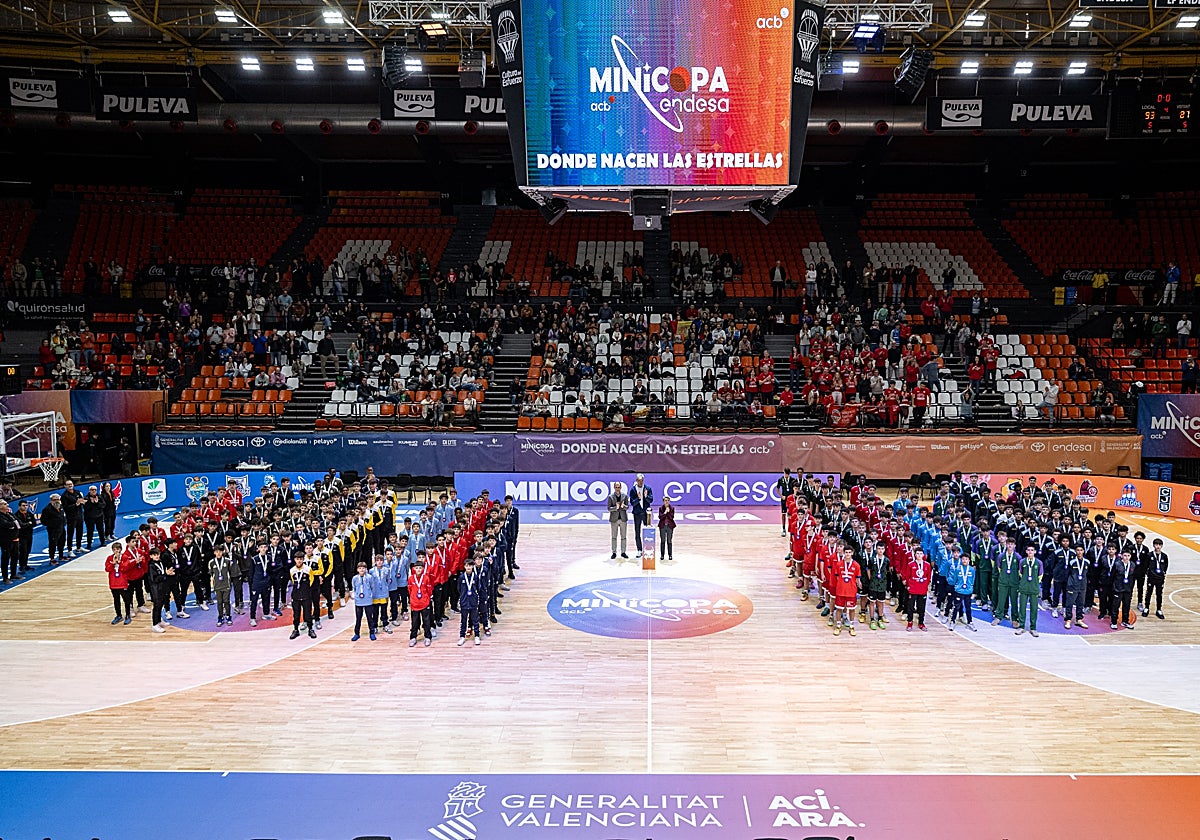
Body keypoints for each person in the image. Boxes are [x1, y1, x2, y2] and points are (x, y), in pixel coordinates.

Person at [408, 552, 434, 647]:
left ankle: (427, 637)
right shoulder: (411, 579)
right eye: (417, 568)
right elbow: (410, 590)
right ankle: (413, 637)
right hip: (415, 604)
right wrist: (413, 599)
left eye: (420, 568)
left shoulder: (426, 578)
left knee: (426, 621)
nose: (418, 570)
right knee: (414, 622)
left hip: (424, 603)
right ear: (414, 569)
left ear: (423, 569)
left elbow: (429, 590)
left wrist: (426, 599)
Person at [289, 551, 317, 640]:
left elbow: (311, 581)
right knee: (296, 614)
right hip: (296, 595)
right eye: (297, 559)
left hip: (306, 595)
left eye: (301, 559)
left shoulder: (308, 569)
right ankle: (296, 629)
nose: (299, 561)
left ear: (303, 559)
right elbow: (293, 581)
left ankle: (310, 629)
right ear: (294, 560)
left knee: (307, 614)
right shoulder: (292, 570)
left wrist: (306, 590)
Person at [1014, 546, 1042, 637]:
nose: (1030, 552)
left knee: (1034, 609)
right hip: (1024, 587)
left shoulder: (1039, 563)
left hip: (1034, 588)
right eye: (1028, 550)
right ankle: (1021, 626)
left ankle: (1033, 628)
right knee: (1022, 608)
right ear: (1026, 551)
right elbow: (1020, 573)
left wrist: (1035, 584)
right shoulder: (1022, 562)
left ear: (1035, 552)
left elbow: (1040, 575)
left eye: (1032, 550)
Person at [457, 554, 483, 646]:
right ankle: (462, 637)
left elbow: (478, 588)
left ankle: (476, 636)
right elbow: (459, 589)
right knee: (463, 620)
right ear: (464, 567)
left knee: (475, 620)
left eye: (470, 566)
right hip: (464, 602)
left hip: (473, 601)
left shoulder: (475, 577)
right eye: (467, 566)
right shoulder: (461, 577)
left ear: (473, 566)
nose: (468, 567)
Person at [106, 542, 133, 626]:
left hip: (122, 582)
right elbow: (107, 569)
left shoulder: (125, 557)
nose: (116, 551)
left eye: (117, 549)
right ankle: (118, 615)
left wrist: (119, 562)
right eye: (114, 549)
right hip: (113, 583)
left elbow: (126, 568)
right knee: (116, 600)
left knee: (126, 600)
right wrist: (112, 564)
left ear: (121, 549)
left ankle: (128, 615)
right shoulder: (110, 558)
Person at [350, 560, 378, 642]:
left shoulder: (369, 577)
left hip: (368, 601)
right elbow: (354, 588)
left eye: (363, 568)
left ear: (366, 569)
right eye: (360, 568)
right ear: (357, 569)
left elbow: (373, 587)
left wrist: (370, 596)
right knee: (358, 618)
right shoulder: (355, 578)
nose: (362, 570)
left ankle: (372, 632)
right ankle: (356, 633)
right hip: (359, 602)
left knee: (370, 617)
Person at [209, 544, 236, 627]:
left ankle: (228, 616)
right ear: (214, 553)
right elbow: (211, 574)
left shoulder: (227, 561)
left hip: (226, 585)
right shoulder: (211, 562)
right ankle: (220, 617)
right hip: (217, 586)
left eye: (220, 551)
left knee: (226, 601)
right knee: (219, 602)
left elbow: (231, 572)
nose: (219, 553)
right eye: (217, 552)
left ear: (223, 552)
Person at [1143, 539, 1168, 620]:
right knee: (1149, 592)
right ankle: (1146, 608)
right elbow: (1146, 566)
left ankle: (1159, 609)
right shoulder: (1149, 555)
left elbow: (1165, 567)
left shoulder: (1164, 556)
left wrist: (1162, 574)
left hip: (1160, 578)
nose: (1158, 546)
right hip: (1151, 578)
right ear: (1153, 545)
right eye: (1156, 545)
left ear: (1162, 546)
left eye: (1159, 545)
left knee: (1159, 594)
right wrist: (1149, 574)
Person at [1111, 550, 1136, 630]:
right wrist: (1114, 588)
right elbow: (1112, 576)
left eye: (1128, 555)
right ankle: (1114, 622)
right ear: (1121, 556)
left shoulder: (1132, 565)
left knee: (1126, 606)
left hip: (1127, 590)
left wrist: (1131, 588)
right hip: (1118, 589)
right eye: (1125, 555)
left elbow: (1133, 578)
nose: (1126, 557)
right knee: (1116, 606)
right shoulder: (1117, 564)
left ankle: (1125, 621)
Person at [629, 473, 654, 554]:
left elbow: (651, 500)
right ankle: (639, 550)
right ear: (636, 480)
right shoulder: (633, 490)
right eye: (639, 481)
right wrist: (638, 499)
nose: (640, 482)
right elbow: (632, 503)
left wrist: (646, 496)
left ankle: (648, 548)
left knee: (648, 531)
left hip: (646, 514)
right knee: (637, 532)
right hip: (637, 514)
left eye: (642, 481)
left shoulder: (648, 488)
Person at [41, 493, 68, 565]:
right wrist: (52, 525)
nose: (56, 501)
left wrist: (64, 523)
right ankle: (52, 558)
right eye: (54, 500)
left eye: (58, 499)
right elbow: (43, 521)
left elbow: (64, 516)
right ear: (51, 500)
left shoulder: (61, 507)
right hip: (53, 529)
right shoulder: (47, 509)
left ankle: (61, 556)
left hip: (62, 528)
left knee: (62, 542)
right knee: (53, 544)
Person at [61, 479, 84, 555]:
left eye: (71, 484)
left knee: (80, 532)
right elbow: (65, 508)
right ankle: (69, 550)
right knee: (70, 534)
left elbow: (81, 500)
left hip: (79, 515)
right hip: (71, 517)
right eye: (68, 484)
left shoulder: (77, 492)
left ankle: (79, 547)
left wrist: (83, 502)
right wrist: (75, 505)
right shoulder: (64, 496)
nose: (70, 485)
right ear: (65, 486)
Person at [607, 481, 629, 560]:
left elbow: (627, 507)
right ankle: (614, 552)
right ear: (614, 488)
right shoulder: (610, 497)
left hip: (623, 519)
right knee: (614, 537)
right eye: (616, 487)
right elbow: (609, 508)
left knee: (623, 537)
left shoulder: (625, 496)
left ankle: (623, 552)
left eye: (618, 487)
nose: (617, 489)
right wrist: (615, 508)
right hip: (614, 520)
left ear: (620, 487)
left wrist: (623, 506)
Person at [776, 467, 799, 537]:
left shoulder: (793, 480)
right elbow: (777, 489)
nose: (786, 475)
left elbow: (796, 489)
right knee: (783, 513)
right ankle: (783, 529)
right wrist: (781, 495)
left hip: (791, 499)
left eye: (787, 474)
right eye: (785, 474)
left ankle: (793, 528)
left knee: (792, 514)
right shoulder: (780, 480)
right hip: (784, 499)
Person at [657, 496, 677, 564]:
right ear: (663, 501)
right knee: (662, 541)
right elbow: (660, 517)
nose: (667, 502)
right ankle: (662, 555)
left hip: (669, 526)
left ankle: (670, 555)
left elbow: (672, 517)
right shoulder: (661, 508)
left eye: (668, 500)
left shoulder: (672, 508)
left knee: (669, 541)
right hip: (662, 526)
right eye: (665, 500)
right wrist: (665, 512)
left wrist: (668, 513)